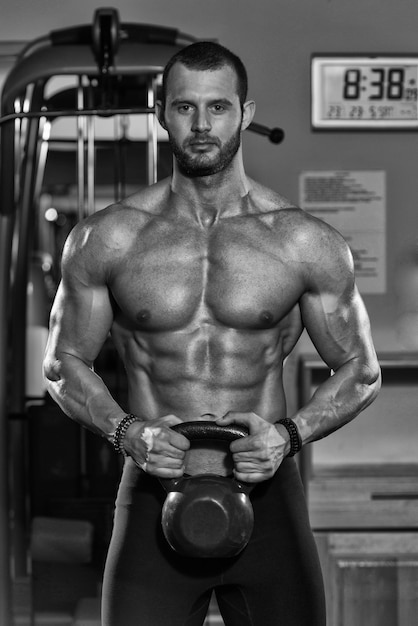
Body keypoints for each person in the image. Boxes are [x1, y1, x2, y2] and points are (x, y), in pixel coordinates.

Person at [43, 41, 381, 626]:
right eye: (185, 108)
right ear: (161, 111)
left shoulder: (304, 242)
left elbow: (362, 370)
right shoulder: (109, 239)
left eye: (218, 108)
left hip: (268, 492)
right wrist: (126, 430)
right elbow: (62, 362)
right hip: (155, 487)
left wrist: (290, 436)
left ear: (245, 113)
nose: (202, 126)